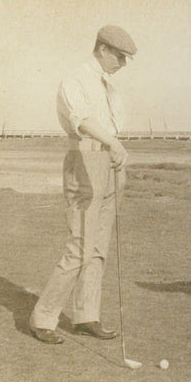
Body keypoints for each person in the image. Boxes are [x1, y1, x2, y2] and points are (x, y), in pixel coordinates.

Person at [29, 25, 136, 344]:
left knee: (99, 245)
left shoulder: (107, 85)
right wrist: (112, 145)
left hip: (110, 162)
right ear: (103, 49)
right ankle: (43, 318)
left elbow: (111, 128)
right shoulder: (76, 78)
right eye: (119, 56)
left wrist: (115, 151)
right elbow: (82, 121)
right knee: (81, 245)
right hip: (85, 161)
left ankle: (86, 315)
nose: (123, 64)